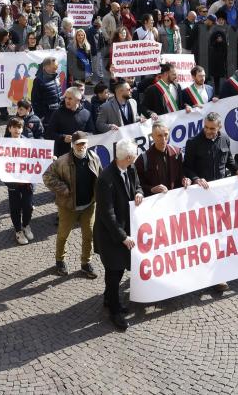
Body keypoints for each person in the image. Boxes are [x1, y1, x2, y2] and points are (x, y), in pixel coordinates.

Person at [181, 111, 236, 293]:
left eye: (212, 128)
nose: (208, 131)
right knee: (203, 237)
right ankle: (199, 271)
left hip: (221, 197)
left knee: (220, 236)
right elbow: (186, 167)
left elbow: (230, 162)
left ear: (219, 128)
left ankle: (218, 275)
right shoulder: (193, 143)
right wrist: (196, 179)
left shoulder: (225, 141)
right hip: (200, 199)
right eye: (206, 127)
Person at [94, 139, 145, 331]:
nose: (135, 161)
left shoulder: (130, 169)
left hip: (124, 230)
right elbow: (107, 214)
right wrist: (123, 237)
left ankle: (109, 299)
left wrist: (138, 192)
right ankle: (115, 311)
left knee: (120, 269)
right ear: (128, 158)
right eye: (134, 158)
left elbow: (137, 185)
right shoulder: (105, 179)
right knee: (114, 272)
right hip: (111, 236)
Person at [44, 131, 101, 278]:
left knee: (89, 235)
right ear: (72, 145)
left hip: (89, 205)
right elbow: (47, 176)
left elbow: (100, 177)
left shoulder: (94, 157)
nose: (81, 147)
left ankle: (85, 263)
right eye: (78, 144)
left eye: (84, 144)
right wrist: (63, 188)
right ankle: (60, 260)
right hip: (68, 206)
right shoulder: (62, 161)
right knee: (63, 235)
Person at [1, 117, 36, 245]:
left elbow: (37, 157)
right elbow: (0, 166)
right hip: (13, 184)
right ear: (9, 128)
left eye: (19, 127)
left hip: (27, 183)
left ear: (22, 129)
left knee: (28, 207)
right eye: (14, 127)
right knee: (15, 208)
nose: (17, 130)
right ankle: (18, 231)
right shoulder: (3, 145)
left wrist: (49, 157)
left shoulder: (29, 143)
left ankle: (26, 225)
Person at [134, 122, 188, 195]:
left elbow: (182, 174)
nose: (163, 139)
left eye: (166, 135)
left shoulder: (177, 152)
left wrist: (185, 179)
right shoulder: (143, 159)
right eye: (159, 136)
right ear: (152, 137)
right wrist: (151, 189)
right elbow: (137, 186)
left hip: (175, 200)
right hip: (155, 202)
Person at [45, 87, 94, 157]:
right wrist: (62, 138)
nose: (67, 101)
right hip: (61, 154)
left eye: (70, 98)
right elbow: (49, 134)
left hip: (80, 154)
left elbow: (92, 133)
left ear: (78, 100)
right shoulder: (57, 113)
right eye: (66, 98)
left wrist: (80, 136)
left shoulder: (86, 114)